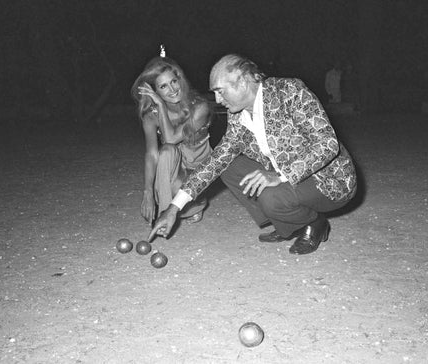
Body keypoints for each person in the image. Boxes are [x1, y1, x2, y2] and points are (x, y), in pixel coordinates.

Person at [149, 54, 357, 255]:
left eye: (221, 91)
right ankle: (289, 225)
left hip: (328, 179)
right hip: (285, 173)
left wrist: (279, 176)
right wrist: (173, 208)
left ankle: (313, 222)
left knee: (270, 196)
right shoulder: (237, 113)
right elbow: (217, 160)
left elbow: (327, 144)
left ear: (244, 81)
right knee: (228, 167)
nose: (218, 100)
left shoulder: (289, 91)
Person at [131, 55, 212, 225]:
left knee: (169, 146)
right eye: (163, 86)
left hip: (200, 171)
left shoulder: (199, 107)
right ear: (155, 91)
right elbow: (152, 154)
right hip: (176, 169)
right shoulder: (150, 116)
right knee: (166, 152)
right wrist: (148, 192)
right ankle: (164, 216)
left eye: (174, 81)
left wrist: (160, 105)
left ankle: (196, 205)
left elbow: (171, 138)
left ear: (180, 79)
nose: (172, 89)